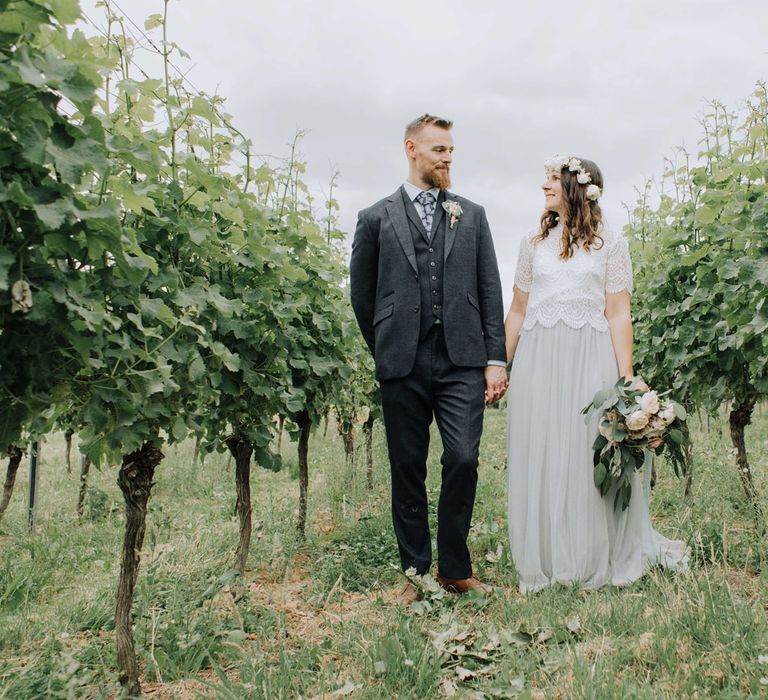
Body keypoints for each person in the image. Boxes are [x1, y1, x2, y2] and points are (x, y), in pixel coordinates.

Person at [505, 155, 689, 593]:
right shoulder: (532, 244)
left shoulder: (611, 243)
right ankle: (549, 557)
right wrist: (498, 364)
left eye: (552, 179)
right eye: (545, 178)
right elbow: (517, 309)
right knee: (545, 448)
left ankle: (592, 553)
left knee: (584, 450)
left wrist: (625, 377)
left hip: (590, 357)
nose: (544, 186)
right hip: (539, 358)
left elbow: (618, 312)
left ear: (577, 187)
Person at [349, 114, 507, 601]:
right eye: (439, 150)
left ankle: (455, 569)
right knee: (407, 466)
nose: (447, 158)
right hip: (403, 360)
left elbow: (489, 286)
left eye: (451, 150)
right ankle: (416, 573)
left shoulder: (472, 214)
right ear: (411, 148)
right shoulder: (375, 218)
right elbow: (362, 294)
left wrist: (495, 358)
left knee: (463, 458)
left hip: (462, 358)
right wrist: (386, 348)